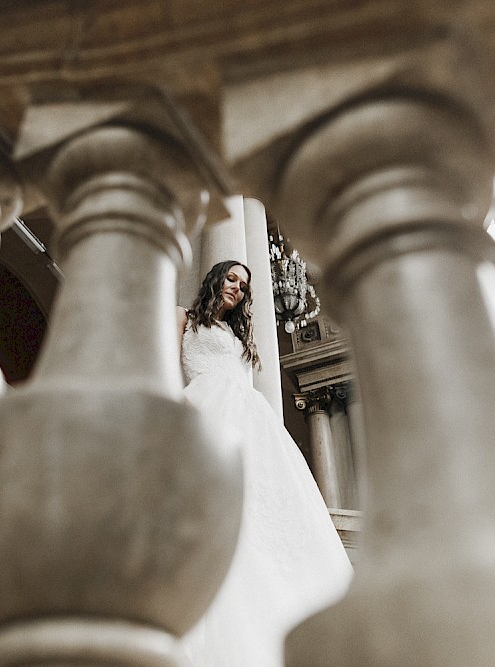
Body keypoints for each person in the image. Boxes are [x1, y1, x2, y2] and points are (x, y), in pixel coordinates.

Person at [177, 260, 353, 667]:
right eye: (232, 278)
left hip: (251, 420)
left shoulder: (239, 333)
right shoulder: (183, 318)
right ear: (215, 277)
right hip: (204, 406)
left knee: (265, 508)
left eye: (244, 284)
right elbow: (168, 367)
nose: (237, 288)